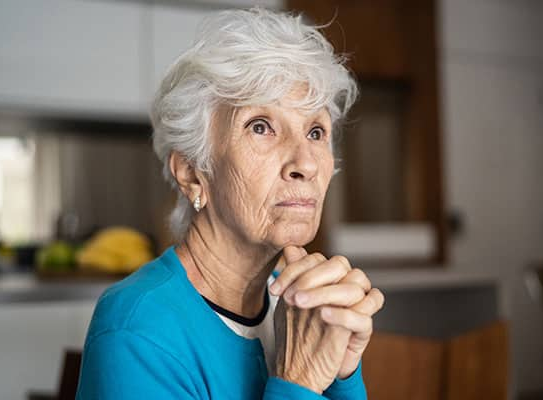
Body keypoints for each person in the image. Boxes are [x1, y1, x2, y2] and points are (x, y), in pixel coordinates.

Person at [75, 8, 384, 399]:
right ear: (191, 172)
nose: (305, 163)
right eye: (261, 126)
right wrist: (299, 380)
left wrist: (343, 374)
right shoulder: (137, 330)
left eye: (316, 131)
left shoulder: (299, 307)